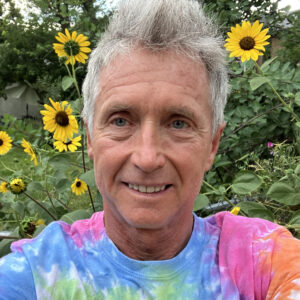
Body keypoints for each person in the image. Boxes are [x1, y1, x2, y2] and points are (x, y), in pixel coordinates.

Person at [1, 0, 300, 299]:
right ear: (89, 137)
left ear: (212, 145)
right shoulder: (34, 276)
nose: (147, 158)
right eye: (120, 121)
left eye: (178, 124)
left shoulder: (264, 258)